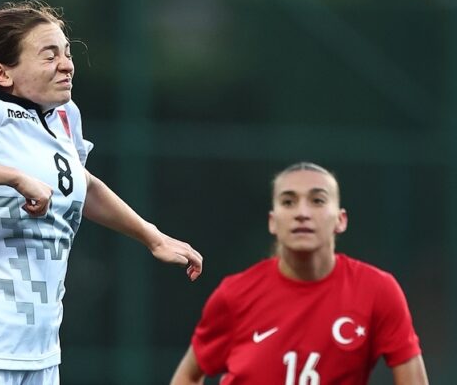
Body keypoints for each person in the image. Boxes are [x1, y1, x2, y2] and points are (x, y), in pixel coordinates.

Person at [0, 1, 203, 385]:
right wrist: (14, 178)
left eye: (67, 52)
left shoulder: (64, 116)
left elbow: (81, 183)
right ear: (1, 73)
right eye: (49, 55)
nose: (67, 64)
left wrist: (151, 235)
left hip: (41, 355)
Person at [170, 162, 429, 385]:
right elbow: (188, 376)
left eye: (317, 200)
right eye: (288, 201)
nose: (302, 213)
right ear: (273, 221)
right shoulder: (235, 294)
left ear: (341, 219)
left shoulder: (377, 290)